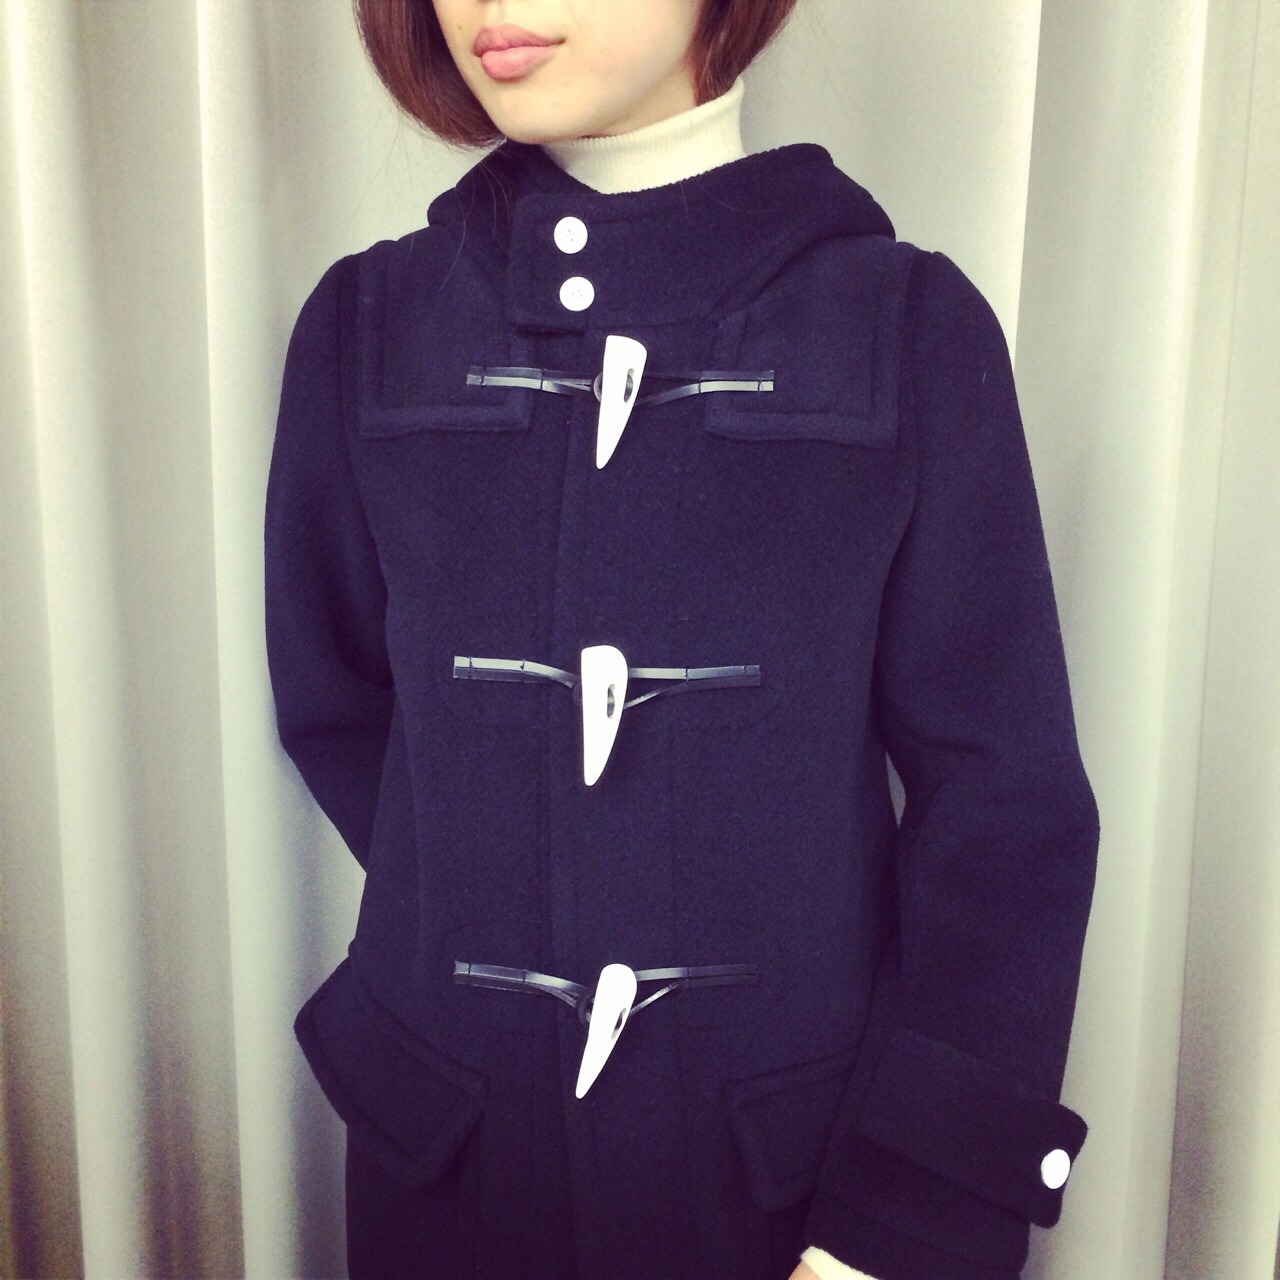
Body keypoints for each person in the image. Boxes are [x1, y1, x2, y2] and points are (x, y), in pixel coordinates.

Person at [264, 2, 1100, 1277]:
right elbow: (341, 705)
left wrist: (903, 1221)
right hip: (447, 1167)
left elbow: (1003, 811)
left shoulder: (905, 328)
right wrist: (513, 872)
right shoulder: (366, 326)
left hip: (790, 1189)